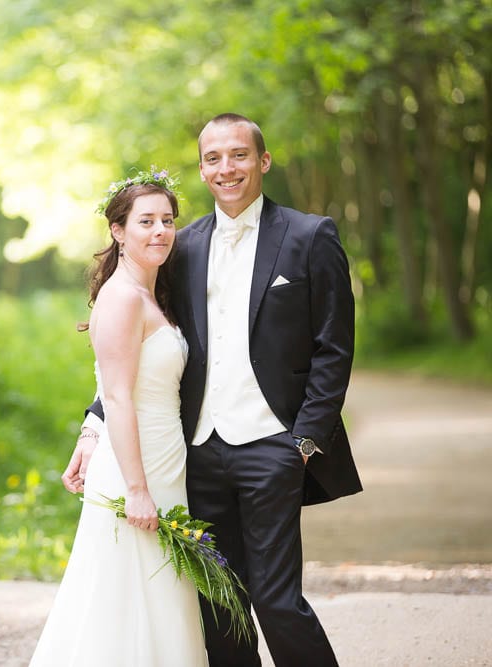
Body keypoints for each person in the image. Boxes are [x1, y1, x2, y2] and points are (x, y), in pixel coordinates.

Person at [69, 114, 362, 667]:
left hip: (274, 447)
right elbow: (133, 356)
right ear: (202, 169)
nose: (226, 168)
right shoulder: (181, 245)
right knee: (219, 603)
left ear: (262, 161)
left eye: (238, 155)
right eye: (213, 158)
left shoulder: (309, 236)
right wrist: (94, 423)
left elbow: (334, 349)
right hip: (194, 453)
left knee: (276, 602)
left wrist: (303, 442)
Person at [29, 171, 209, 666]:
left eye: (168, 220)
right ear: (117, 231)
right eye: (145, 221)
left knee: (159, 596)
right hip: (136, 467)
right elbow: (118, 395)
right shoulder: (124, 296)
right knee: (121, 598)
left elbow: (112, 384)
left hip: (164, 458)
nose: (160, 232)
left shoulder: (151, 292)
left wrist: (89, 429)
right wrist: (136, 488)